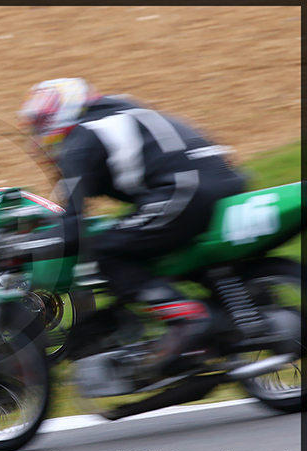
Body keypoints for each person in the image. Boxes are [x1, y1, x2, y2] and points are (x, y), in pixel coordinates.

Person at [17, 78, 246, 379]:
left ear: (62, 113)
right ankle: (225, 316)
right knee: (149, 245)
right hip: (226, 179)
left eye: (42, 123)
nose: (39, 134)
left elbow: (73, 226)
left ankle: (188, 318)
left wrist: (27, 247)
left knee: (106, 250)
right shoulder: (121, 109)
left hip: (185, 191)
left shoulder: (80, 140)